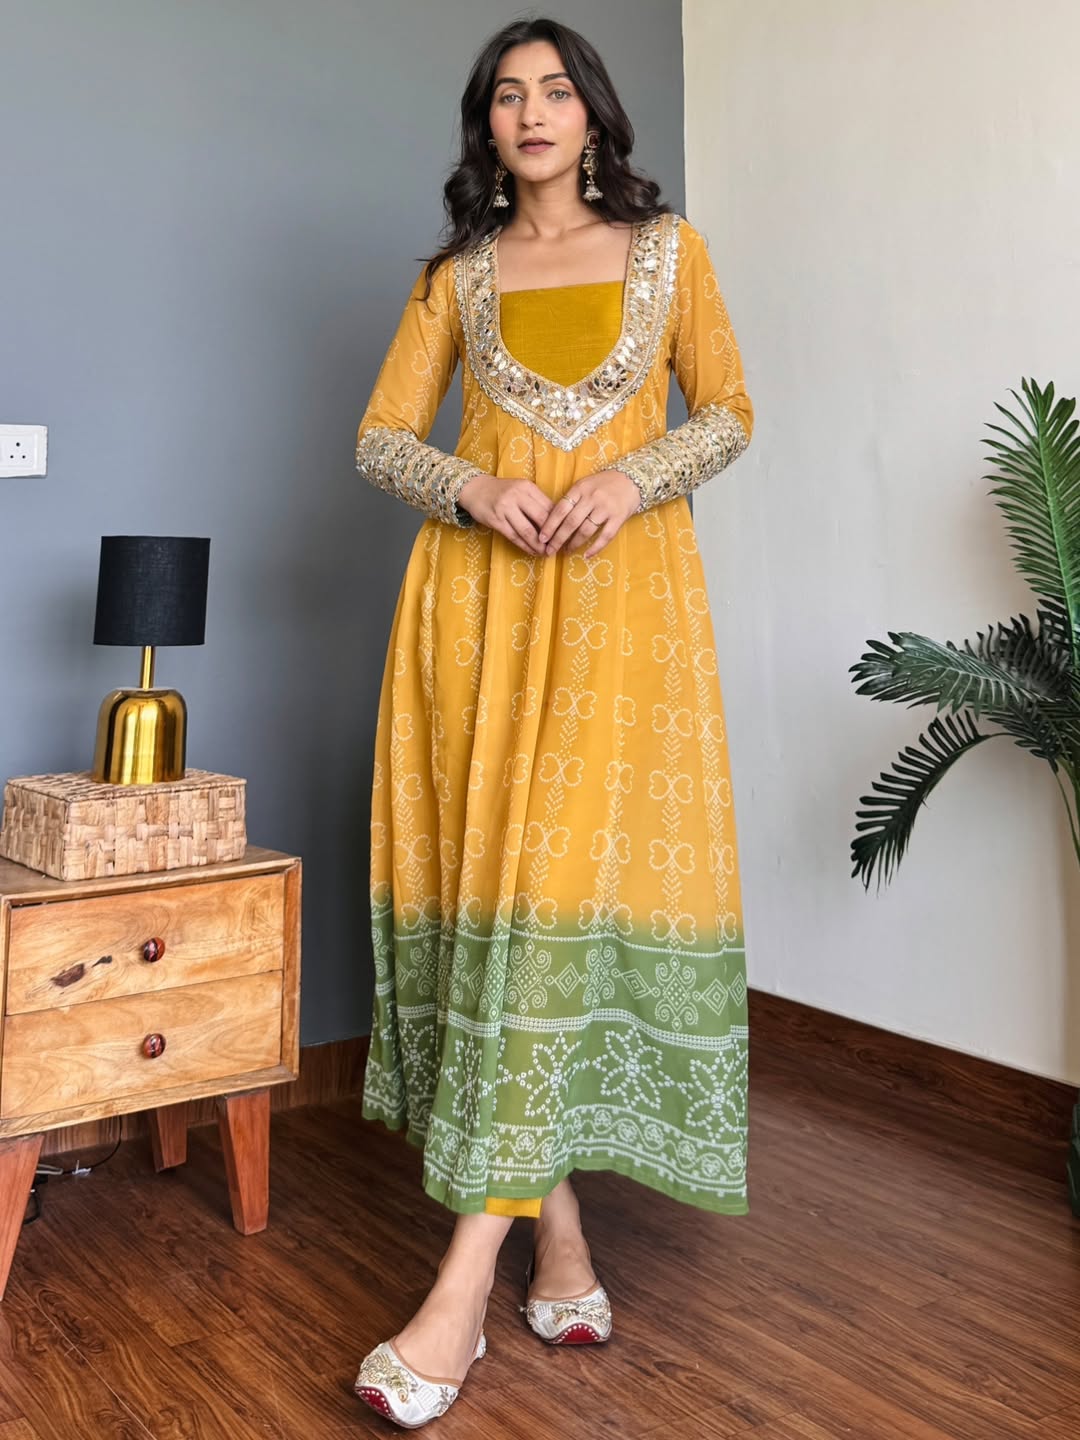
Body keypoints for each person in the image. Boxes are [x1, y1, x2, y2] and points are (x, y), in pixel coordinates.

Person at [352, 16, 753, 1428]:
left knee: (557, 910)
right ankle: (559, 1243)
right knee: (509, 918)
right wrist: (470, 487)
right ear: (487, 125)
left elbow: (731, 411)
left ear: (595, 116)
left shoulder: (671, 254)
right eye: (507, 95)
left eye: (557, 90)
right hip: (476, 619)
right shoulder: (453, 279)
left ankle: (457, 1297)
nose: (532, 112)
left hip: (624, 622)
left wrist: (635, 479)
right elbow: (380, 435)